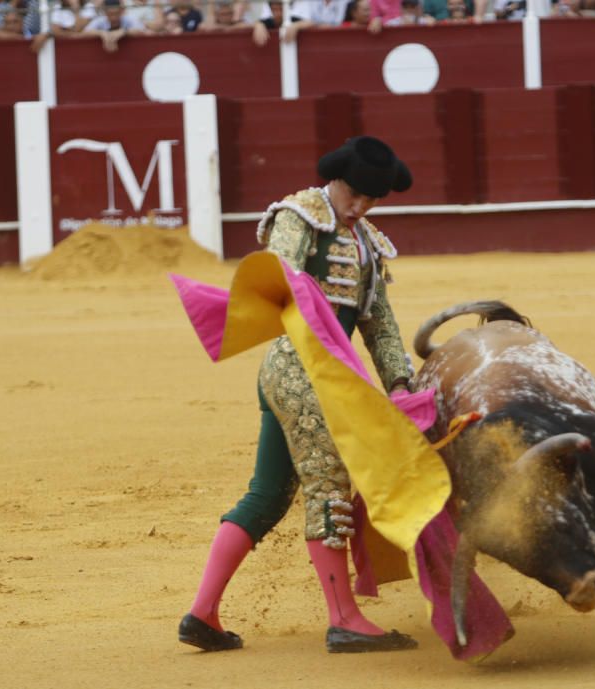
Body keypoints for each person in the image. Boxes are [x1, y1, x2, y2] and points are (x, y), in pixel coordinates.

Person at [178, 136, 420, 655]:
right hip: (304, 371)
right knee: (329, 486)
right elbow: (278, 277)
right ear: (336, 179)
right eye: (354, 194)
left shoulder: (369, 243)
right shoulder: (300, 216)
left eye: (371, 200)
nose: (359, 207)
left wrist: (399, 380)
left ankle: (202, 613)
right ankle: (345, 618)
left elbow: (379, 324)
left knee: (266, 497)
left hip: (313, 377)